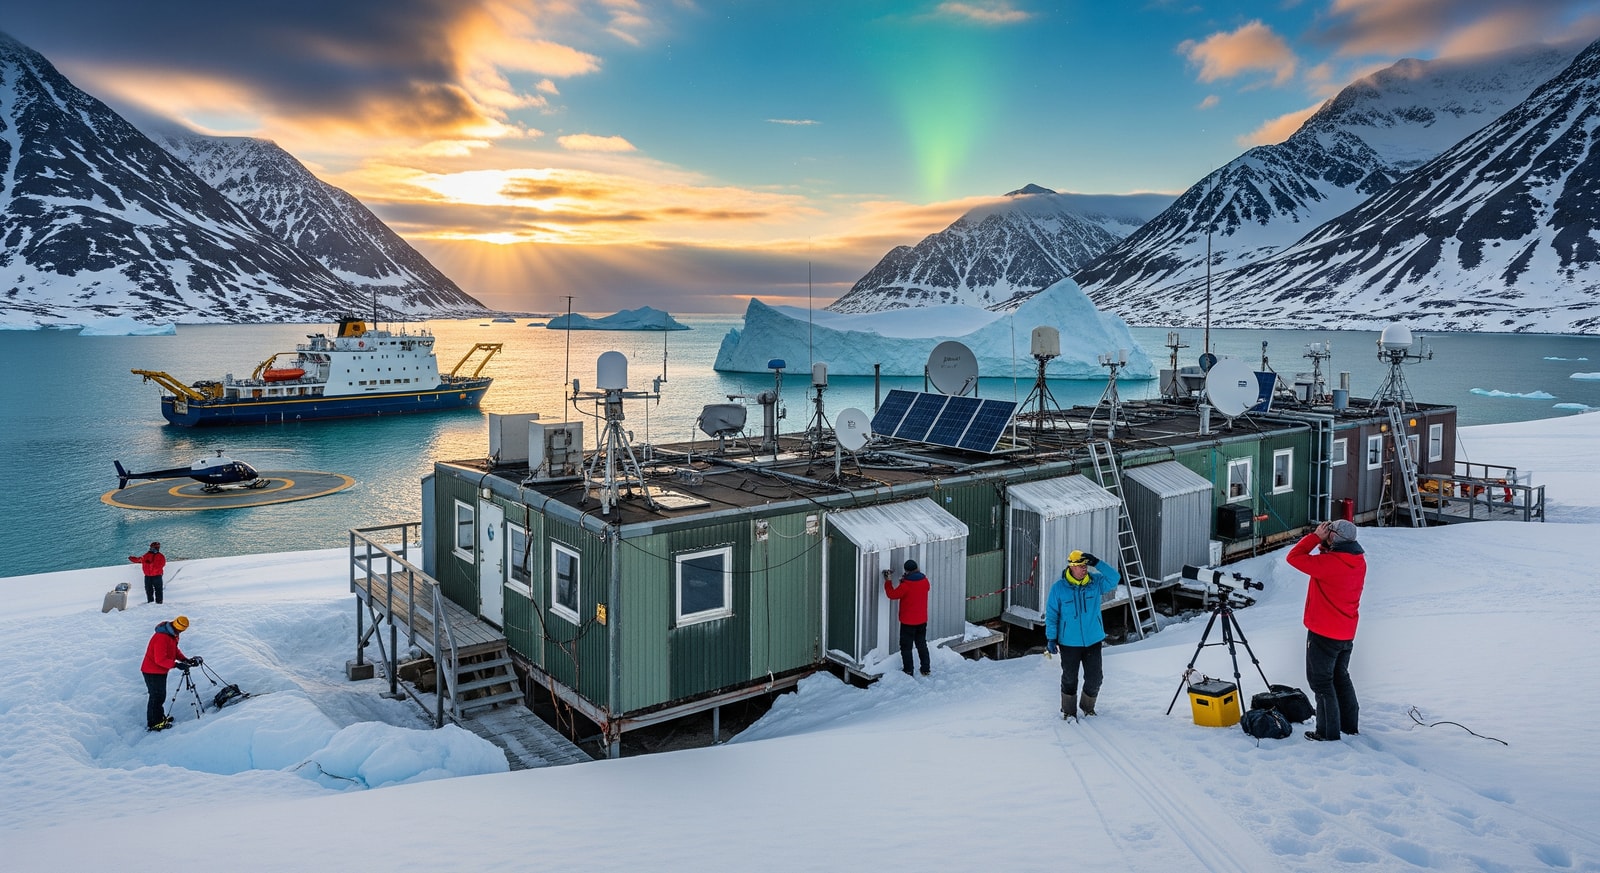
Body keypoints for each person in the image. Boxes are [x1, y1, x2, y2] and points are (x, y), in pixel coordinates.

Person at [1286, 518, 1367, 742]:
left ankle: (1327, 732)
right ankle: (1349, 726)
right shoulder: (1357, 561)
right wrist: (1326, 542)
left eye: (1328, 530)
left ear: (1333, 538)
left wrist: (1314, 538)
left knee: (1321, 682)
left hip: (1324, 633)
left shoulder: (1330, 565)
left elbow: (1294, 558)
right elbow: (1329, 560)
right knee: (1340, 677)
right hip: (1346, 631)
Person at [1045, 549, 1121, 719]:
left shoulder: (1095, 582)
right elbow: (1052, 615)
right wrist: (1051, 638)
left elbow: (1114, 578)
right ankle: (1068, 711)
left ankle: (1087, 707)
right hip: (1069, 643)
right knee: (1070, 678)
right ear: (1071, 567)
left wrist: (1098, 563)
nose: (1084, 568)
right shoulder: (1059, 588)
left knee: (1095, 678)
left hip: (1093, 640)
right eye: (1080, 565)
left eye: (1085, 565)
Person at [141, 615, 197, 731]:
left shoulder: (172, 635)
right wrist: (176, 665)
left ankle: (159, 718)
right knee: (156, 697)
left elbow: (174, 650)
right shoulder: (162, 637)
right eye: (180, 630)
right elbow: (160, 659)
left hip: (159, 671)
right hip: (152, 671)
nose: (180, 632)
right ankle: (154, 723)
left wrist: (184, 659)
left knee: (160, 696)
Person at [883, 559, 931, 676]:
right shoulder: (925, 581)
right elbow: (919, 588)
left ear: (907, 571)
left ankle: (908, 670)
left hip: (908, 622)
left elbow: (892, 595)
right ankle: (925, 668)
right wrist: (904, 581)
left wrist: (888, 581)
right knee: (921, 644)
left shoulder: (906, 586)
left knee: (906, 647)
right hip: (922, 620)